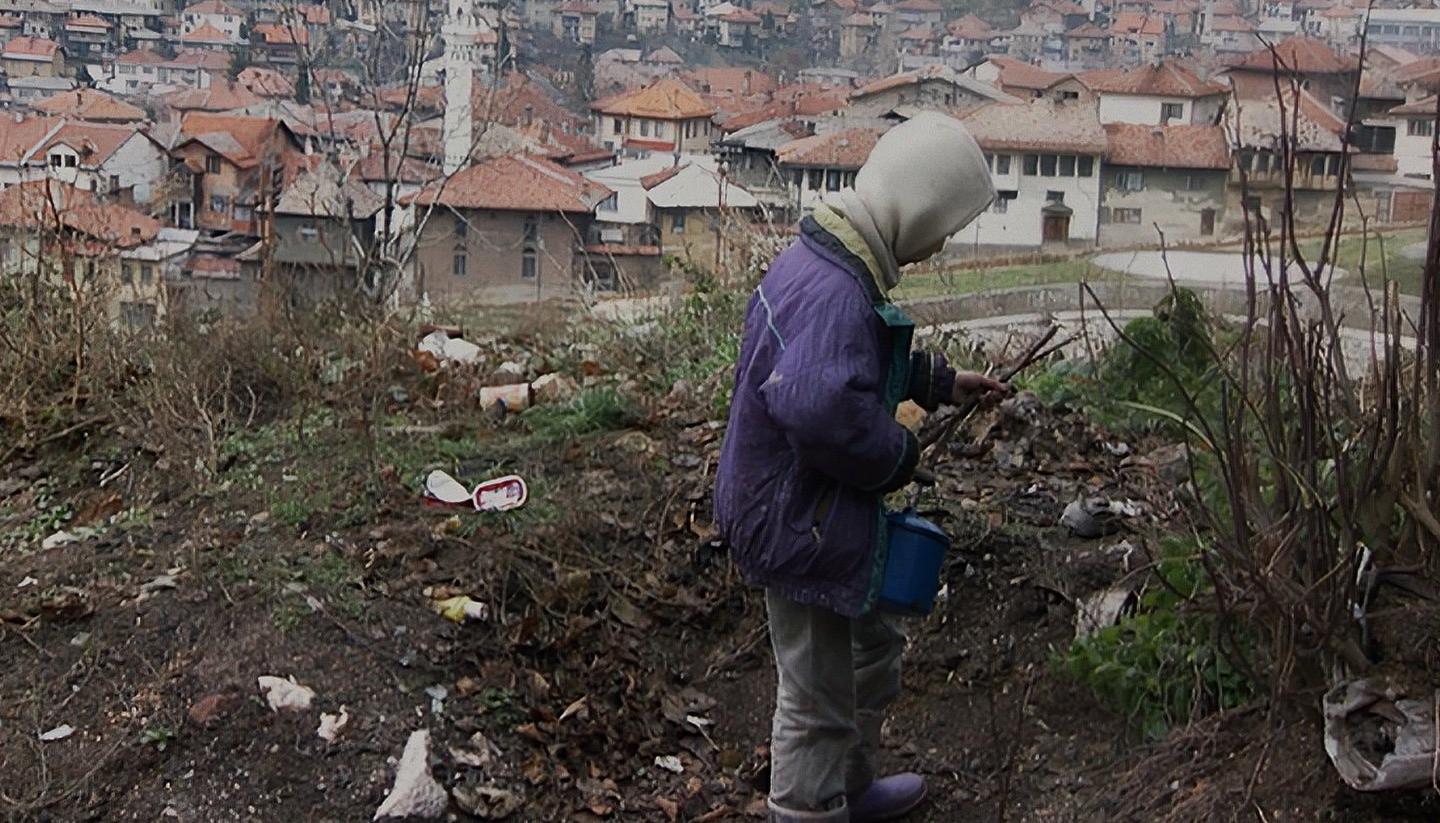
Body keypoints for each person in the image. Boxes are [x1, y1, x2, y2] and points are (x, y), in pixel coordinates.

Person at [714, 113, 1009, 823]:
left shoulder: (837, 257)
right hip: (793, 519)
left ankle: (851, 786)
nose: (937, 246)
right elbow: (820, 408)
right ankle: (806, 810)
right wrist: (896, 453)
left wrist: (936, 380)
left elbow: (851, 367)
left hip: (816, 507)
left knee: (874, 641)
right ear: (916, 208)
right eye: (940, 227)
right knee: (815, 692)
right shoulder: (835, 291)